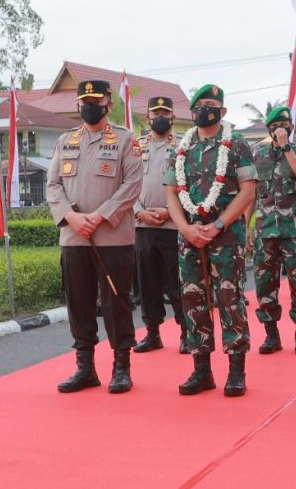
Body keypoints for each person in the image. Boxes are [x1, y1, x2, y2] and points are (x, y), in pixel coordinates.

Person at [46, 80, 142, 394]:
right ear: (78, 104)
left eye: (96, 100)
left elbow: (132, 185)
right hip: (74, 238)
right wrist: (72, 217)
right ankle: (85, 367)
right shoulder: (65, 140)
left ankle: (121, 366)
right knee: (79, 302)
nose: (89, 105)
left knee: (116, 302)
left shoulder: (125, 140)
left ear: (108, 102)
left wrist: (99, 216)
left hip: (113, 237)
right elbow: (53, 184)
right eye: (85, 100)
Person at [165, 84, 257, 396]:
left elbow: (248, 190)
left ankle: (236, 370)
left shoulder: (237, 144)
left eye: (212, 104)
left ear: (223, 111)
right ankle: (201, 370)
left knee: (230, 300)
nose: (207, 108)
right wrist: (186, 229)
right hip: (190, 237)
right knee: (193, 300)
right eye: (201, 104)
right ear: (192, 112)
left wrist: (218, 224)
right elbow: (171, 193)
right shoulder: (182, 148)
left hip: (226, 236)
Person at [249, 105, 296, 355]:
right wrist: (247, 227)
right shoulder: (258, 155)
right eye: (276, 127)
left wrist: (287, 148)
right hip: (266, 230)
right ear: (268, 129)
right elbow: (251, 194)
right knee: (265, 284)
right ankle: (271, 334)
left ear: (291, 128)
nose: (280, 130)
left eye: (285, 126)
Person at [132, 96, 187, 355]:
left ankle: (187, 332)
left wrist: (168, 212)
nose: (161, 117)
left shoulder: (183, 145)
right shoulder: (135, 146)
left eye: (166, 112)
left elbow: (191, 186)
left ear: (173, 116)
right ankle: (152, 332)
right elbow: (126, 183)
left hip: (173, 225)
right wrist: (139, 212)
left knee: (177, 282)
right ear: (147, 118)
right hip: (142, 225)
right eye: (156, 113)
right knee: (147, 282)